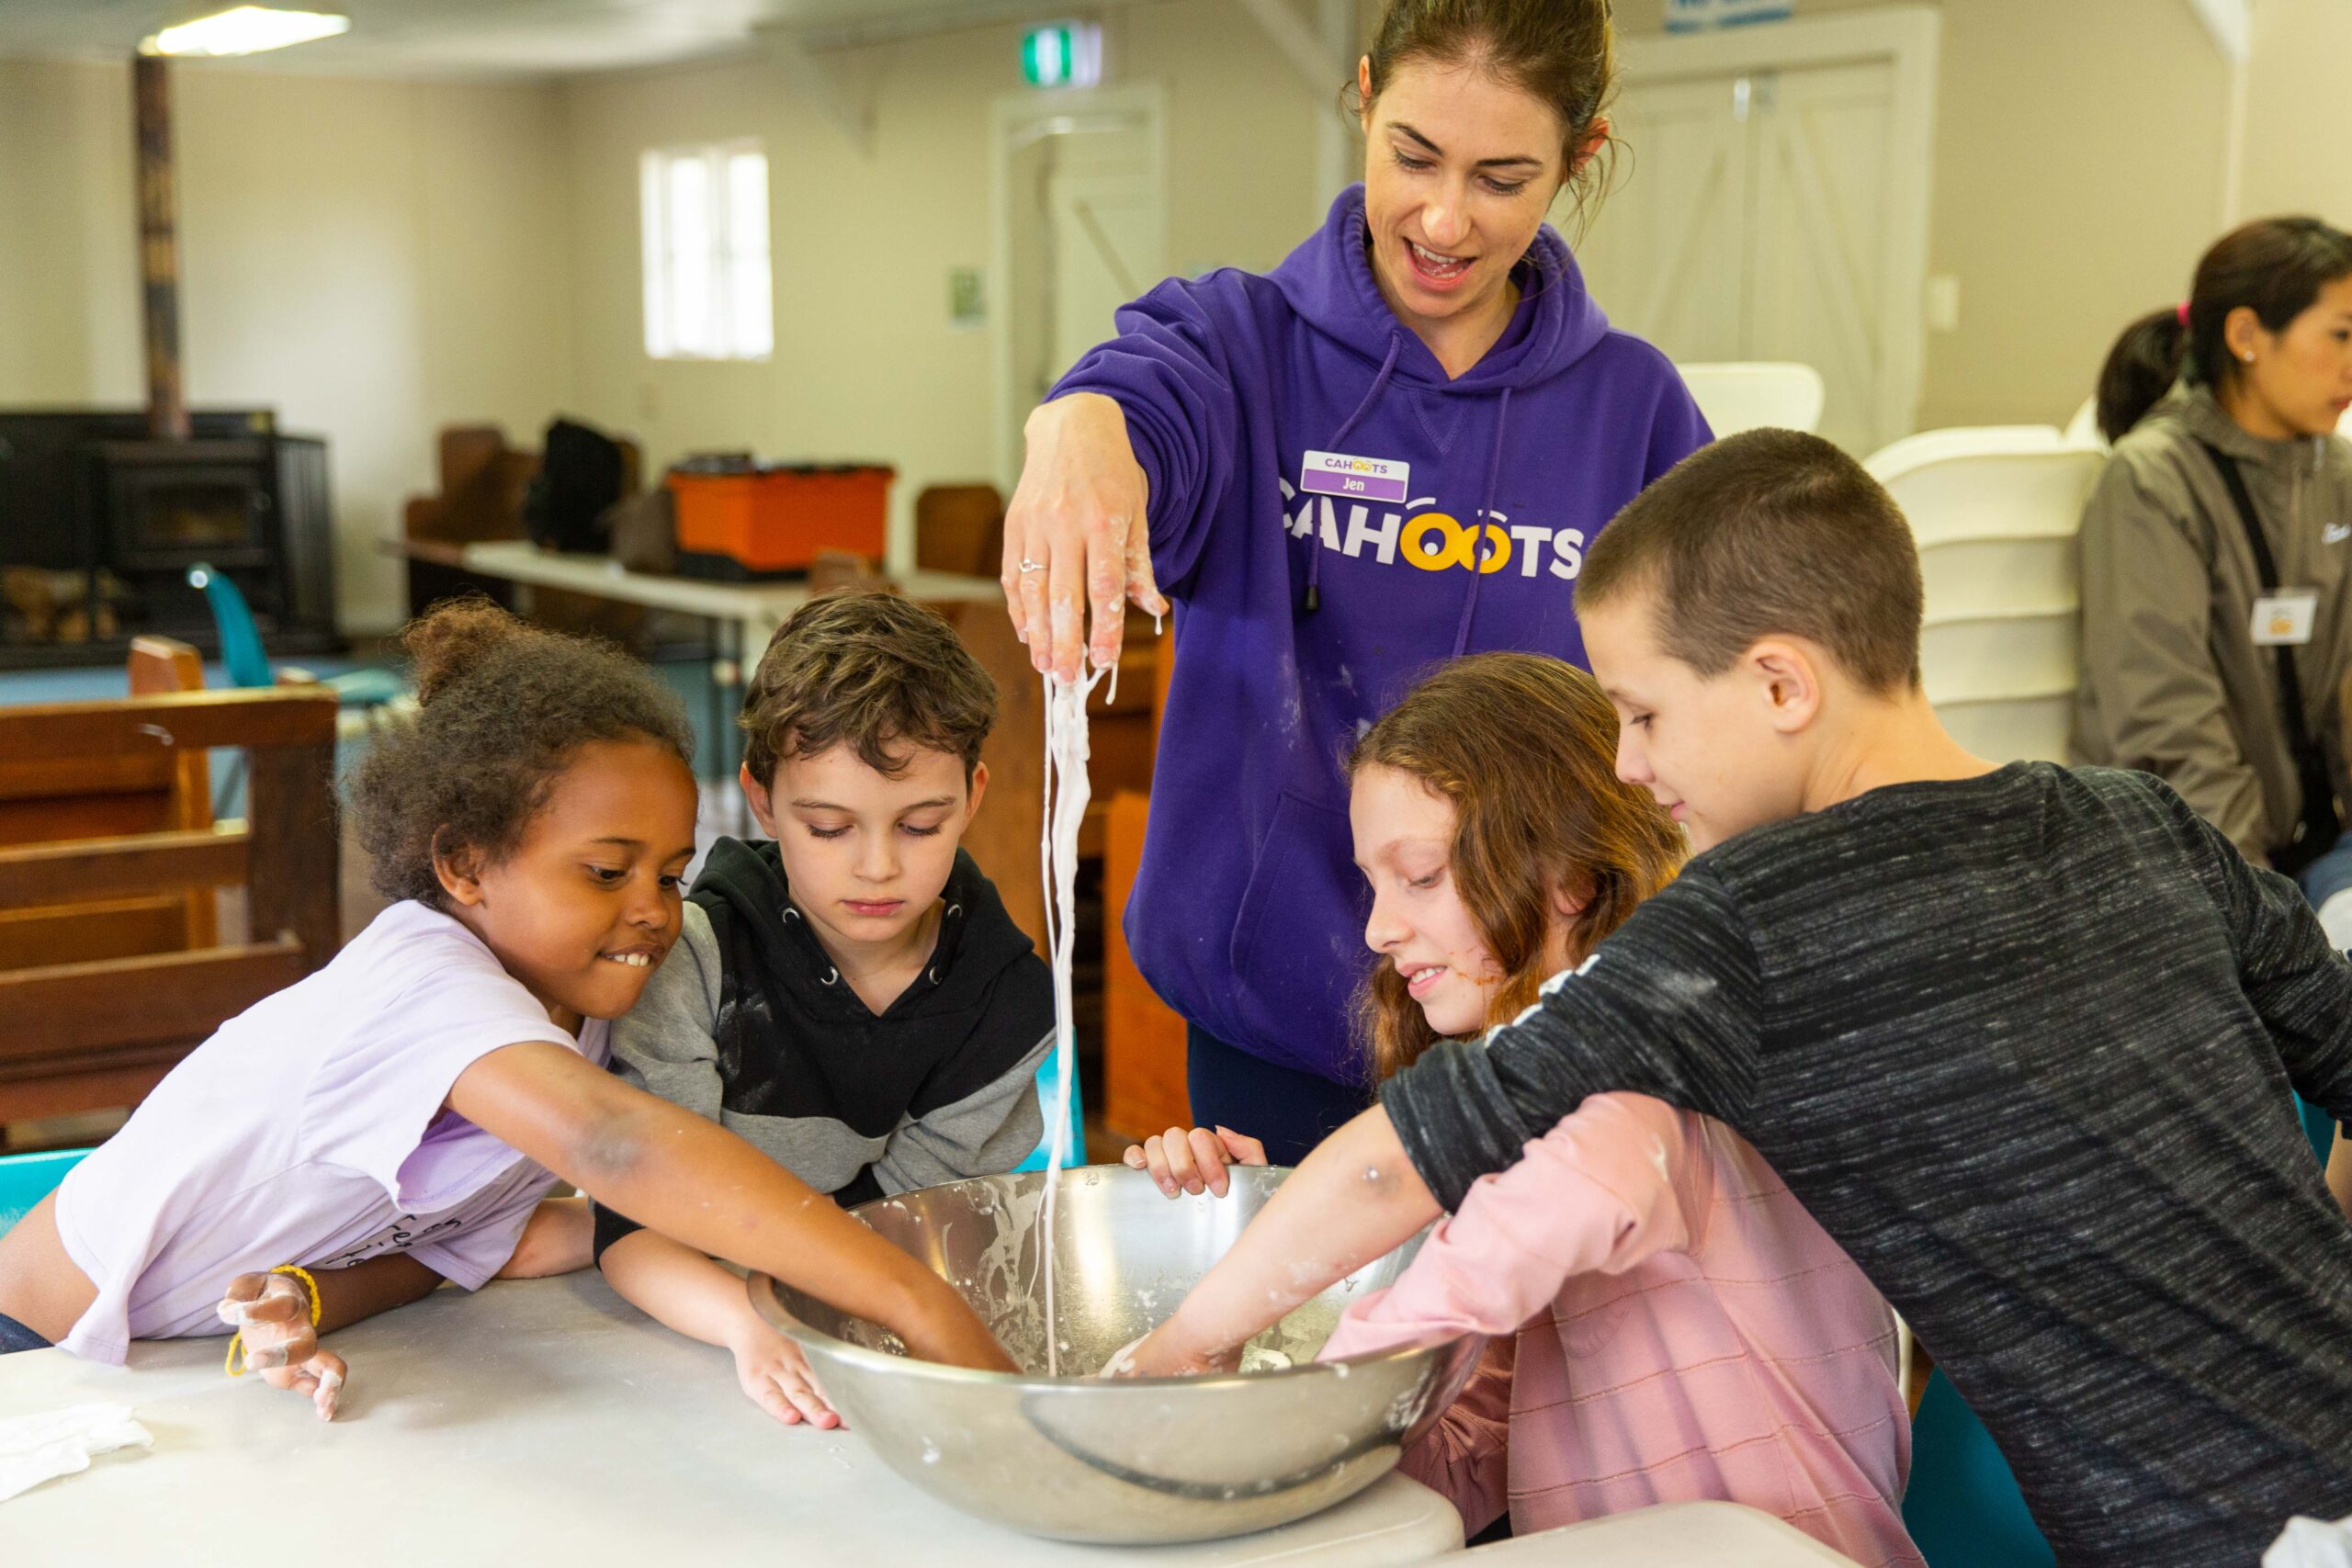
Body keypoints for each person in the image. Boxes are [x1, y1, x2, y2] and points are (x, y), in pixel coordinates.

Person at [1120, 429, 2352, 1567]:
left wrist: (1171, 1358)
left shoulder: (1755, 917)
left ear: (1780, 685)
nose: (1628, 762)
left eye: (1645, 712)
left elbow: (1406, 1160)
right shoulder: (2143, 821)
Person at [0, 601, 1013, 1414]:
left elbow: (455, 1246)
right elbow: (617, 1148)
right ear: (465, 865)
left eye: (670, 875)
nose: (653, 911)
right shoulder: (426, 985)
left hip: (151, 1366)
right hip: (25, 1347)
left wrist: (308, 1297)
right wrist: (912, 1298)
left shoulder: (589, 1006)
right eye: (606, 871)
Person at [1002, 0, 1709, 1161]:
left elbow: (1708, 718)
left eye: (1501, 179)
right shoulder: (1240, 347)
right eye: (1413, 157)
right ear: (1366, 97)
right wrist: (1076, 425)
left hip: (1538, 1050)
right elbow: (1142, 393)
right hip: (1271, 1023)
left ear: (1579, 156)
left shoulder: (1635, 412)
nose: (1443, 219)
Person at [1126, 653, 1917, 1564]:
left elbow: (1466, 1244)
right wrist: (1252, 1264)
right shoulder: (1529, 1132)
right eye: (1373, 885)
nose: (1378, 929)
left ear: (1568, 874)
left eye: (1421, 876)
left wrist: (1230, 1328)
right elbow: (1466, 1461)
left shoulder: (1652, 1076)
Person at [594, 592, 1053, 1426]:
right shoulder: (691, 961)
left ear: (973, 795)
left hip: (858, 1312)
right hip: (700, 1328)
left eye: (920, 825)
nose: (877, 867)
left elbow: (906, 1236)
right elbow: (634, 1229)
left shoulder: (1006, 1005)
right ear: (763, 800)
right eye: (830, 827)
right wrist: (749, 1326)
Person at [2076, 216, 2352, 942]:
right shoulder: (2153, 479)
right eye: (2341, 335)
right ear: (2246, 336)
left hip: (2312, 853)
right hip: (2190, 867)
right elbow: (2167, 727)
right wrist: (2263, 915)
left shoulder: (2337, 475)